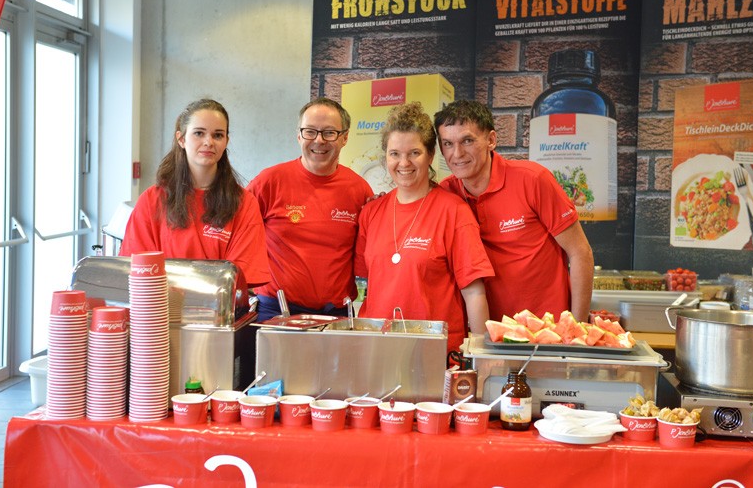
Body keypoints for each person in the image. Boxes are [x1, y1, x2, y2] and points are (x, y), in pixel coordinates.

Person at [434, 99, 594, 323]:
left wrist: (578, 326)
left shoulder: (533, 179)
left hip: (548, 329)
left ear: (491, 140)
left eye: (467, 140)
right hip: (488, 331)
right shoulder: (446, 193)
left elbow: (580, 253)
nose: (457, 153)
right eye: (448, 144)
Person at [355, 102, 493, 354]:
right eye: (394, 153)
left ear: (430, 156)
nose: (404, 162)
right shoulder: (371, 212)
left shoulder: (453, 211)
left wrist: (480, 355)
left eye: (414, 153)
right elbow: (370, 284)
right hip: (376, 349)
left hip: (434, 353)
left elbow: (473, 292)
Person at [247, 97, 373, 321]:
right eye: (310, 132)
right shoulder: (269, 182)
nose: (319, 140)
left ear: (344, 137)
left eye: (329, 132)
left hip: (337, 315)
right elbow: (237, 235)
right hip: (276, 311)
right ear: (299, 135)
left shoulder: (359, 189)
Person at [120, 98, 270, 287]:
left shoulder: (244, 203)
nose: (208, 142)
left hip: (220, 305)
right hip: (161, 304)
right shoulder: (151, 201)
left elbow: (241, 277)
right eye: (199, 133)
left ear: (226, 141)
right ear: (181, 139)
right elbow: (137, 270)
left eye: (218, 135)